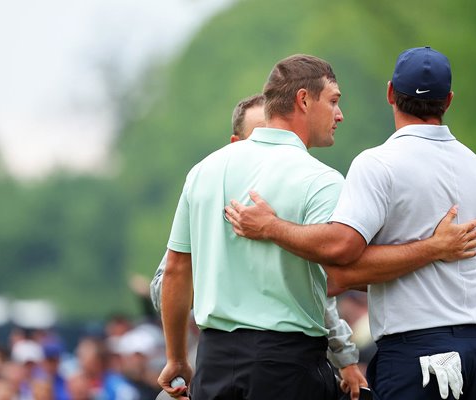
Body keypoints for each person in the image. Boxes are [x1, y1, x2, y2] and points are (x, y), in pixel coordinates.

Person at [160, 53, 476, 400]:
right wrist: (433, 249)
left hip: (213, 361)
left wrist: (176, 357)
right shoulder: (320, 180)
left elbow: (176, 270)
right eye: (333, 101)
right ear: (303, 100)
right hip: (286, 364)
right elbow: (344, 267)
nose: (339, 114)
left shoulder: (204, 171)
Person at [151, 92, 367, 398]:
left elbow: (320, 291)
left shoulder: (294, 186)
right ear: (237, 143)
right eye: (259, 136)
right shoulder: (211, 184)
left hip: (230, 361)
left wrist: (344, 359)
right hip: (261, 358)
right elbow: (169, 280)